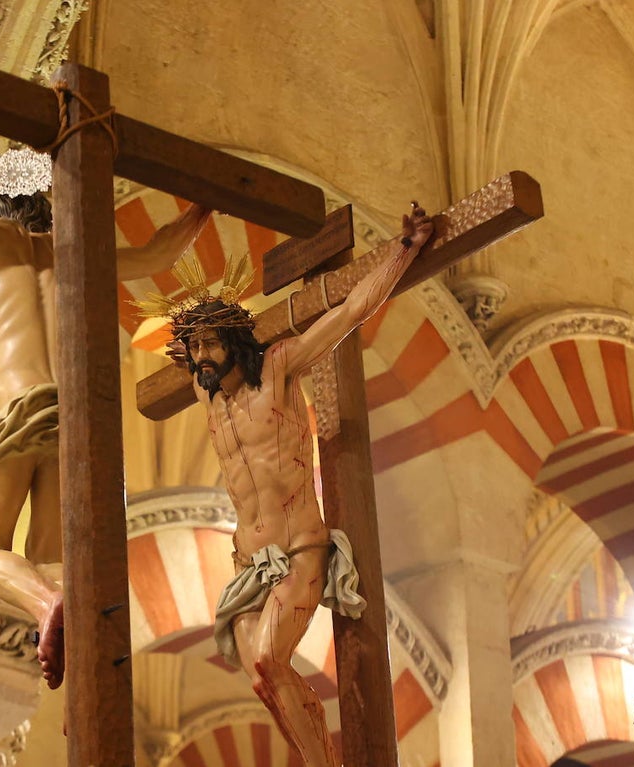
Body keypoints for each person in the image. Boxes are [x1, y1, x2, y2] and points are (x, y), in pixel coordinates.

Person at [0, 87, 213, 689]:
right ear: (48, 203)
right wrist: (207, 204)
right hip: (75, 420)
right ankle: (78, 660)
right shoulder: (78, 253)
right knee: (56, 557)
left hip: (14, 413)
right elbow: (160, 254)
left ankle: (47, 606)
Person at [158, 206, 434, 765]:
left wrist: (406, 249)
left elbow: (352, 311)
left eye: (211, 343)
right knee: (265, 678)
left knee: (266, 660)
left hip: (300, 548)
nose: (201, 356)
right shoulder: (205, 394)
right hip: (246, 566)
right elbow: (179, 364)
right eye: (195, 347)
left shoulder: (280, 369)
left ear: (235, 341)